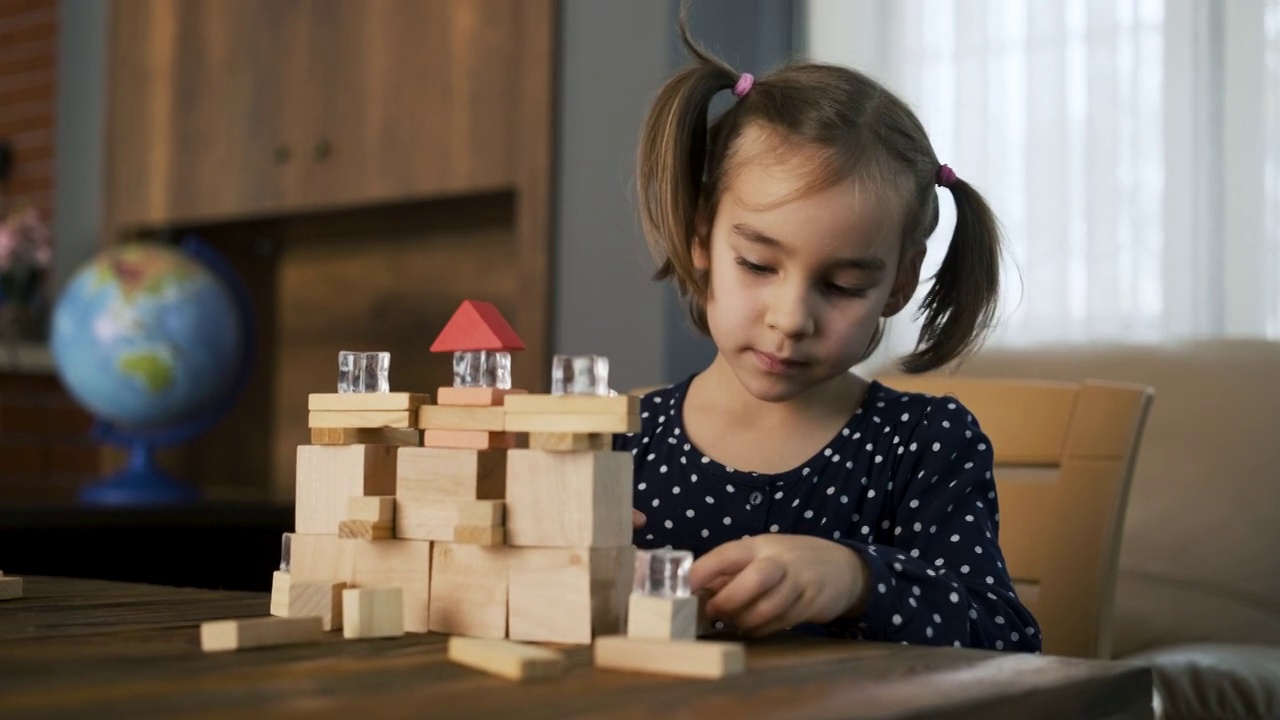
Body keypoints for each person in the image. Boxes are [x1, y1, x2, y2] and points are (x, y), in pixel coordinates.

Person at [614, 10, 1041, 653]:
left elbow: (1007, 640)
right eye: (758, 265)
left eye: (843, 286)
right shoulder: (624, 446)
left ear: (899, 283)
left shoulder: (923, 446)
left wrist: (858, 578)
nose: (791, 319)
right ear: (702, 237)